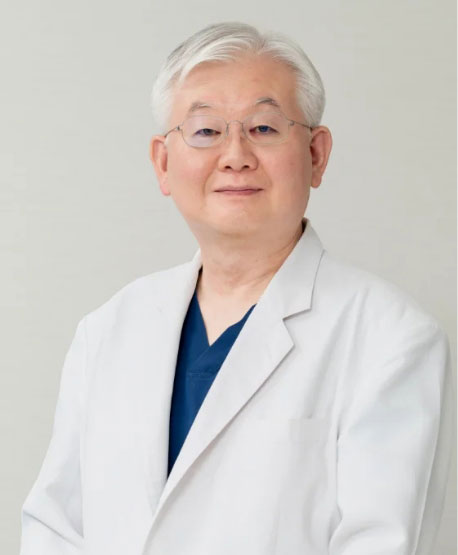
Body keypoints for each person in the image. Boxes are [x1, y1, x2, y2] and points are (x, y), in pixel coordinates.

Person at [20, 21, 453, 555]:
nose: (235, 155)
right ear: (163, 163)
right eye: (205, 131)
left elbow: (380, 542)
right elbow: (55, 529)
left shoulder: (391, 339)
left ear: (317, 155)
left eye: (264, 128)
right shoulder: (108, 330)